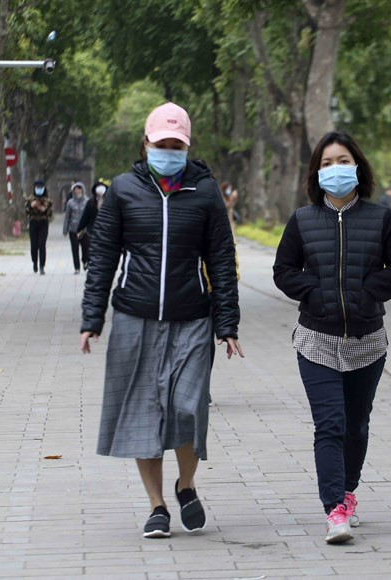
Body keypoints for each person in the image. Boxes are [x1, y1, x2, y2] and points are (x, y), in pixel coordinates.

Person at [80, 102, 243, 539]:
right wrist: (92, 316)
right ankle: (156, 507)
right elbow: (102, 257)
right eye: (161, 144)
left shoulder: (204, 192)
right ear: (146, 143)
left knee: (188, 406)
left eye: (177, 145)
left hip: (193, 317)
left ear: (187, 147)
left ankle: (185, 485)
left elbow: (221, 260)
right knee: (142, 411)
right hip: (135, 316)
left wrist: (227, 324)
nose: (168, 151)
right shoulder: (123, 190)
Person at [273, 131, 391, 545]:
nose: (336, 169)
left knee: (356, 425)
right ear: (316, 172)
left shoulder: (380, 218)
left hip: (368, 342)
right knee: (330, 425)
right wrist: (314, 294)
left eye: (343, 160)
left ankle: (349, 490)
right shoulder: (302, 220)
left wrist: (369, 292)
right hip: (316, 340)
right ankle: (334, 508)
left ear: (358, 166)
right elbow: (284, 271)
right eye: (327, 163)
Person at [63, 182, 97, 273]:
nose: (77, 191)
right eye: (75, 189)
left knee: (86, 249)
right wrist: (65, 230)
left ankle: (85, 261)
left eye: (79, 189)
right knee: (75, 249)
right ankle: (76, 268)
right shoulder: (70, 203)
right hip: (73, 229)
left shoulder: (88, 201)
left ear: (83, 190)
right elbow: (67, 217)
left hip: (84, 230)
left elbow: (91, 216)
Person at [25, 179, 53, 275]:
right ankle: (35, 262)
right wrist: (31, 206)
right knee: (34, 245)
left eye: (41, 187)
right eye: (37, 187)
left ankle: (42, 266)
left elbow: (50, 213)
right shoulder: (30, 199)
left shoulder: (48, 200)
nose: (39, 189)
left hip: (43, 223)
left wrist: (42, 208)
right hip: (33, 223)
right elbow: (26, 212)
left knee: (42, 245)